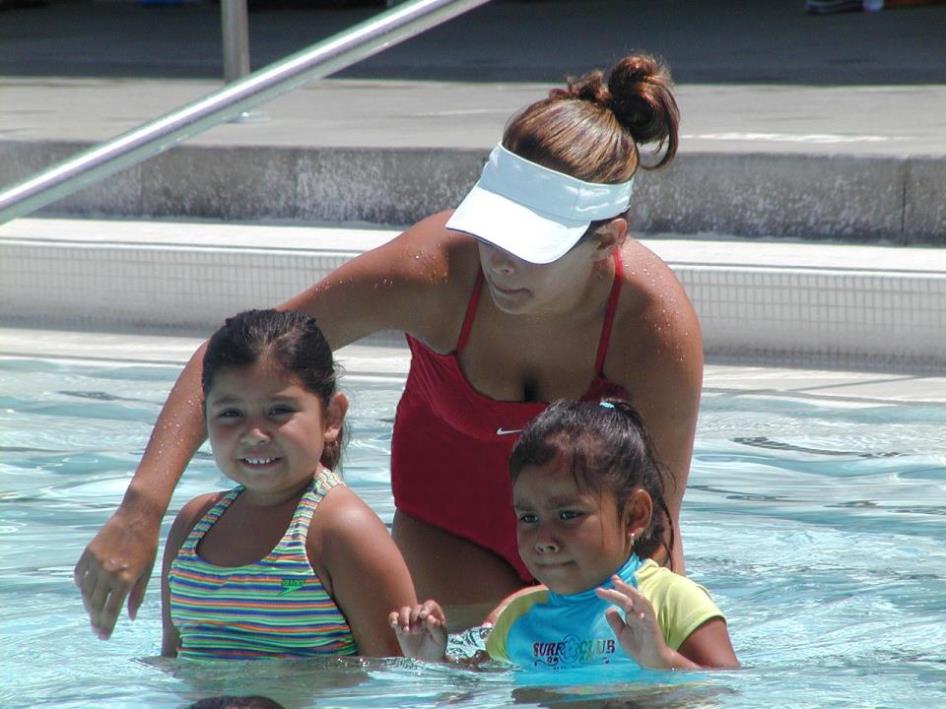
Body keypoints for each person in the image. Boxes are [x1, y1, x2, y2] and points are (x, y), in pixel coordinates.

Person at [75, 53, 703, 637]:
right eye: (492, 232)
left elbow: (655, 525)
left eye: (531, 245)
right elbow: (233, 354)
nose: (501, 262)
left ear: (608, 240)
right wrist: (140, 511)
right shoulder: (432, 273)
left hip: (591, 548)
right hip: (446, 537)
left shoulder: (651, 325)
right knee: (456, 683)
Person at [390, 399, 738, 671]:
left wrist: (662, 662)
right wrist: (434, 660)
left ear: (634, 514)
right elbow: (482, 690)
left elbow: (728, 692)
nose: (544, 539)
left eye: (568, 515)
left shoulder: (671, 602)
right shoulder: (518, 621)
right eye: (529, 518)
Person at [160, 309, 415, 659]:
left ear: (331, 417)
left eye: (279, 410)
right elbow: (171, 661)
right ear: (206, 418)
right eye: (230, 413)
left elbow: (394, 674)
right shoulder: (193, 526)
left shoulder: (342, 530)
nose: (254, 434)